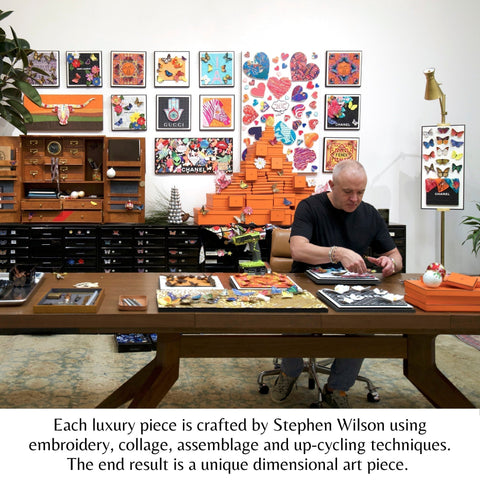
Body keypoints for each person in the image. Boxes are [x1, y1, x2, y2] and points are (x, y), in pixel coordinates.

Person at [270, 160, 403, 407]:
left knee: (365, 325)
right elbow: (298, 249)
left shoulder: (370, 214)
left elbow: (396, 256)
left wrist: (390, 263)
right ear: (332, 185)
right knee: (293, 315)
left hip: (351, 290)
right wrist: (337, 253)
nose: (355, 199)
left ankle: (337, 387)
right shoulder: (310, 207)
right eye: (348, 192)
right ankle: (289, 371)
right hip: (307, 285)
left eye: (360, 192)